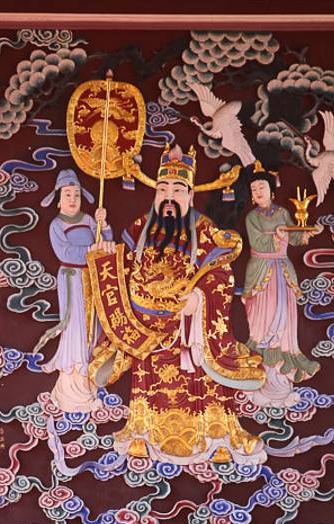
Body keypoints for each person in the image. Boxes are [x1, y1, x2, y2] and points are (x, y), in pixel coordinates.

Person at [86, 144, 266, 466]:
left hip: (188, 329)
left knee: (202, 388)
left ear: (190, 196)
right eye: (163, 189)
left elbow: (220, 275)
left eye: (178, 190)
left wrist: (199, 299)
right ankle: (144, 434)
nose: (169, 197)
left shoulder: (204, 230)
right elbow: (123, 271)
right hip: (147, 331)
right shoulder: (140, 229)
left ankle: (215, 437)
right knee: (148, 389)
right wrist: (105, 254)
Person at [241, 161, 322, 407]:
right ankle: (260, 372)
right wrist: (277, 236)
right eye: (254, 189)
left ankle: (282, 374)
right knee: (261, 322)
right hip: (260, 271)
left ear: (271, 190)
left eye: (262, 187)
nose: (258, 192)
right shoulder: (252, 217)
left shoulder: (282, 212)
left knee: (284, 317)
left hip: (282, 271)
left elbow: (294, 237)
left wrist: (307, 231)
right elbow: (257, 242)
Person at [36, 169, 113, 413]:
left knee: (94, 326)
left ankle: (89, 383)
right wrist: (91, 250)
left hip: (92, 278)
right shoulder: (57, 225)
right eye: (67, 194)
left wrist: (103, 225)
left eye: (76, 195)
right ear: (59, 199)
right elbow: (66, 252)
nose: (72, 199)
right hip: (72, 278)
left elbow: (105, 241)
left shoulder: (89, 220)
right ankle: (71, 391)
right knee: (76, 328)